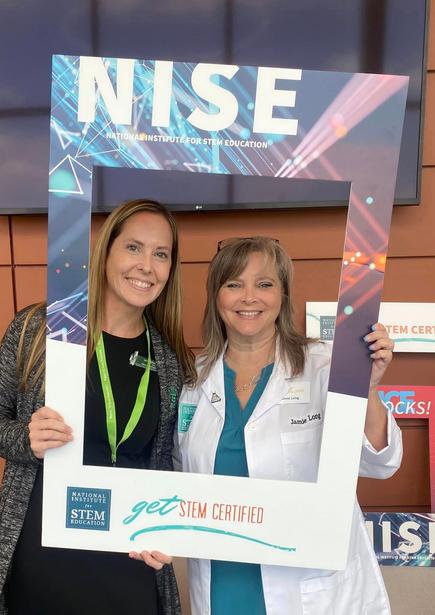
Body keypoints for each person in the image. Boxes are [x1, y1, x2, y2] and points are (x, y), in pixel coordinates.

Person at [177, 236, 402, 615]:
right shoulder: (192, 381)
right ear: (216, 296)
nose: (249, 297)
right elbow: (174, 478)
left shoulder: (325, 365)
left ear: (283, 295)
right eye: (234, 284)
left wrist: (369, 388)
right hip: (223, 584)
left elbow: (380, 463)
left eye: (264, 284)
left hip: (310, 590)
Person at [0, 199, 195, 615]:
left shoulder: (169, 360)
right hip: (42, 553)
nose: (146, 266)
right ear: (105, 252)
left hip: (128, 558)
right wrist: (25, 439)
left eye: (161, 254)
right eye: (133, 247)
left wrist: (168, 531)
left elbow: (167, 465)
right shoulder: (39, 329)